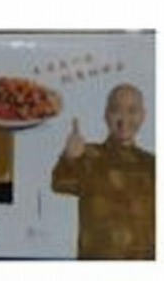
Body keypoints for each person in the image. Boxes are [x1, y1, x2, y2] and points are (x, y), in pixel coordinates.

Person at [51, 84, 155, 259]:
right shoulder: (88, 155)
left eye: (132, 111)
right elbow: (59, 184)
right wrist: (69, 158)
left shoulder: (152, 164)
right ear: (106, 115)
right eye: (116, 110)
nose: (124, 119)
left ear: (143, 116)